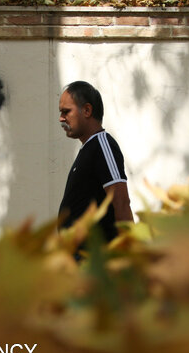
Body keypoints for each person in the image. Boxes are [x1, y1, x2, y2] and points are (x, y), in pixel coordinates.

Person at [57, 81, 133, 243]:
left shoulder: (103, 146)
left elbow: (121, 203)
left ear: (87, 110)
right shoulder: (89, 148)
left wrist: (130, 253)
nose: (61, 118)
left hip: (96, 260)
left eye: (66, 112)